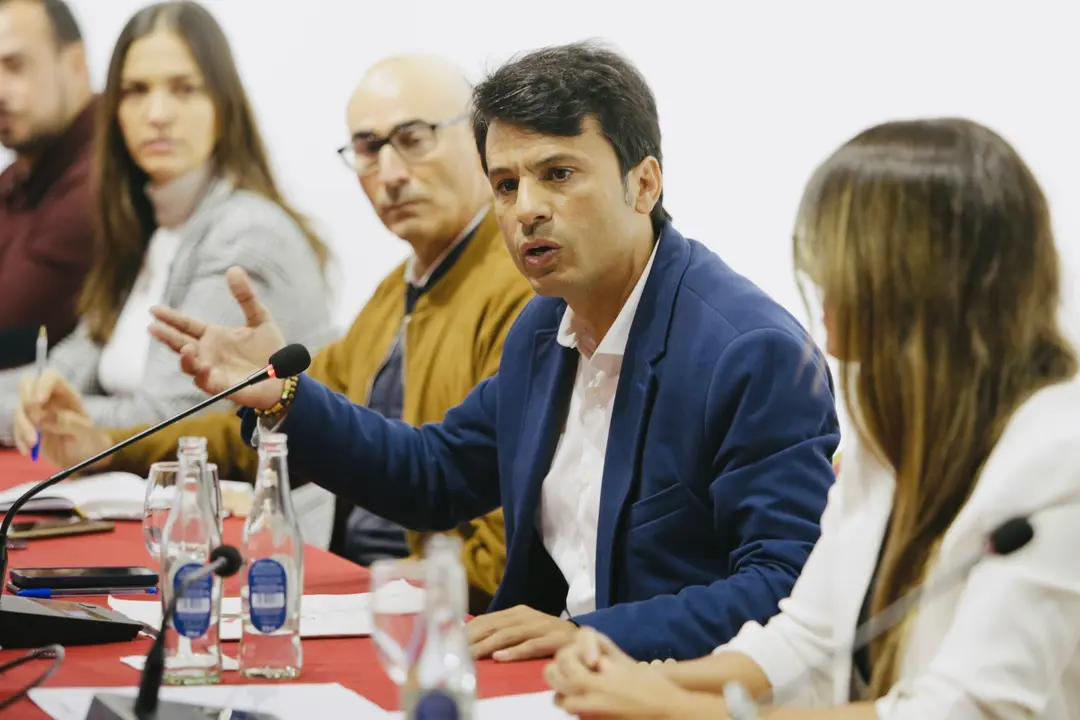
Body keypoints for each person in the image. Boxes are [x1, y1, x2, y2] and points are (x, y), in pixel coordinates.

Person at [149, 41, 840, 663]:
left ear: (645, 183)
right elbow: (434, 475)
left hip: (664, 693)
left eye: (558, 174)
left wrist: (594, 636)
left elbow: (784, 588)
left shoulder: (749, 353)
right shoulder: (544, 330)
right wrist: (284, 396)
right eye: (506, 184)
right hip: (541, 683)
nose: (525, 209)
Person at [545, 118, 1080, 719]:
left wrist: (681, 711)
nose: (820, 286)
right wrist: (636, 682)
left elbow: (968, 711)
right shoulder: (896, 436)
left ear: (916, 285)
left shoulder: (1058, 458)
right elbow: (808, 639)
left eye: (836, 263)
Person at [27, 54, 532, 608]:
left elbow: (503, 543)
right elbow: (283, 437)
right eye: (367, 148)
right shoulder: (397, 293)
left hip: (431, 606)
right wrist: (107, 448)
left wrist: (367, 593)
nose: (389, 173)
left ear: (482, 141)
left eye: (414, 138)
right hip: (361, 584)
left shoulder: (523, 292)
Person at [0, 0, 334, 450]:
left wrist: (46, 411)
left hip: (251, 512)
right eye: (136, 90)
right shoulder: (151, 229)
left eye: (184, 88)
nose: (157, 112)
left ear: (223, 104)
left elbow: (164, 417)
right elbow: (60, 371)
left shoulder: (246, 233)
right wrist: (31, 400)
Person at [0, 0, 94, 368]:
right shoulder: (19, 174)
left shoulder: (100, 179)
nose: (0, 91)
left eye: (15, 66)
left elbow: (9, 325)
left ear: (75, 64)